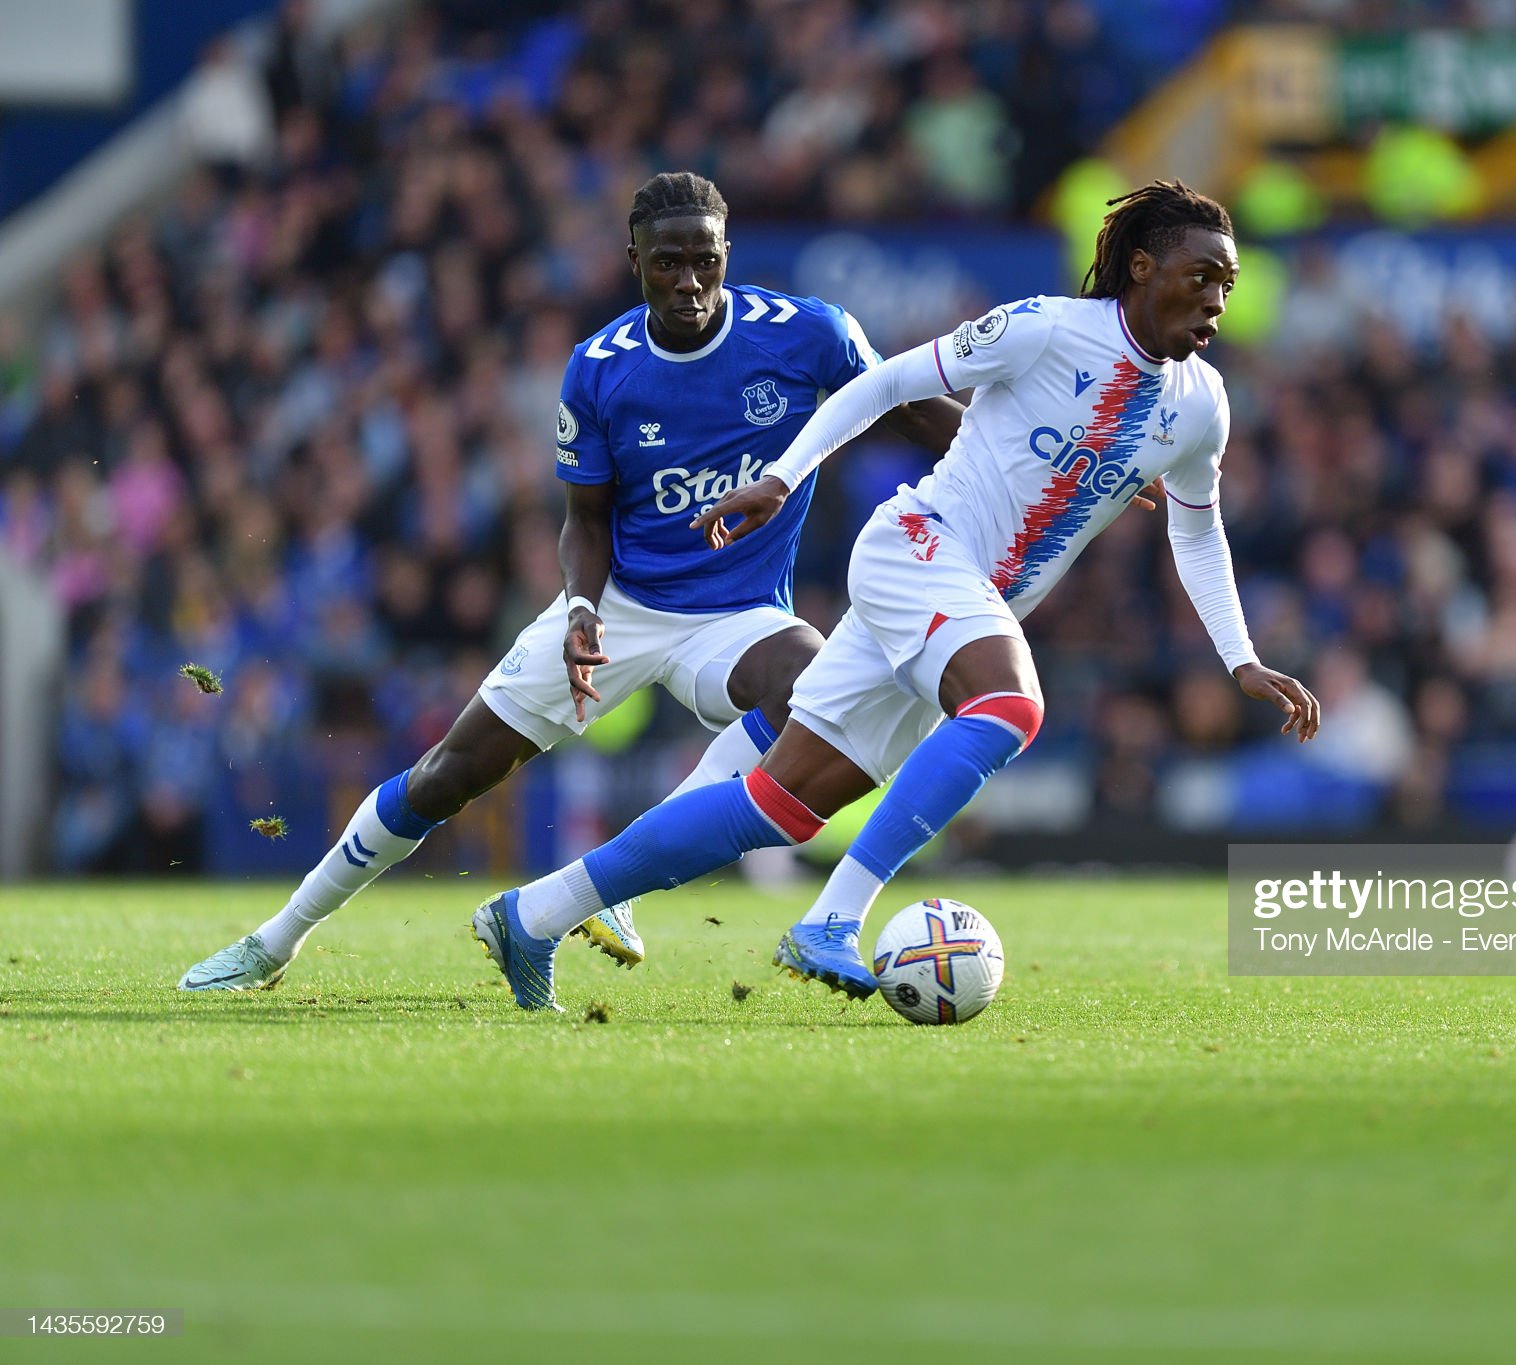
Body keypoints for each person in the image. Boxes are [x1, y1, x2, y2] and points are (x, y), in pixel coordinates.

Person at [470, 180, 1321, 1011]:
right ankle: (831, 919)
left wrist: (1241, 658)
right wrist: (779, 475)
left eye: (1228, 285)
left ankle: (533, 913)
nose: (1216, 300)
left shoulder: (1202, 406)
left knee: (779, 807)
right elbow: (883, 385)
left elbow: (1197, 529)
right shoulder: (1044, 329)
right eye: (1201, 277)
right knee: (1008, 708)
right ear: (1141, 267)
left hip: (964, 600)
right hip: (918, 550)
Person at [178, 171, 966, 990]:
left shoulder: (807, 335)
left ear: (729, 254)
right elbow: (585, 520)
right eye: (668, 263)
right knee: (448, 774)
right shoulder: (601, 370)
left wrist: (1011, 454)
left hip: (738, 616)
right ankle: (275, 940)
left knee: (811, 680)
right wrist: (583, 606)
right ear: (633, 260)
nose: (690, 282)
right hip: (621, 604)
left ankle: (613, 886)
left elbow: (905, 410)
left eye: (706, 260)